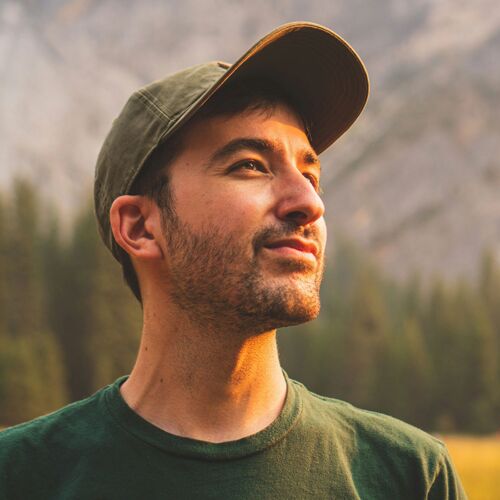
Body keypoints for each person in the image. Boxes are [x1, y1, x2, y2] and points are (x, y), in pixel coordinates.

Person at [0, 22, 466, 499]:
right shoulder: (19, 475)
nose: (309, 202)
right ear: (140, 227)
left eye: (311, 173)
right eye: (250, 165)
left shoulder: (410, 476)